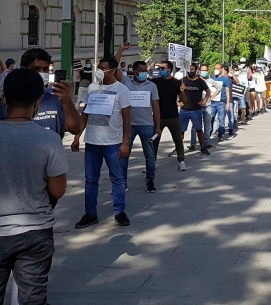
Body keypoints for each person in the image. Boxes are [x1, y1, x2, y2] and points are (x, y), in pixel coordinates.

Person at [0, 68, 68, 305]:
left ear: (4, 99)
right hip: (36, 232)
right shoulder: (49, 140)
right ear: (38, 102)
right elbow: (58, 191)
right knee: (32, 298)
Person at [72, 58, 133, 229]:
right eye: (98, 68)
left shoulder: (122, 90)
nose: (99, 71)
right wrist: (78, 136)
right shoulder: (92, 88)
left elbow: (127, 117)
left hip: (113, 143)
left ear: (113, 71)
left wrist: (125, 142)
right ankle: (90, 213)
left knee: (118, 179)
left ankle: (119, 212)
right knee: (91, 180)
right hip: (92, 143)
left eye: (103, 69)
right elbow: (85, 113)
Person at [0, 48, 83, 138]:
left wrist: (67, 101)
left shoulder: (54, 100)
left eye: (45, 69)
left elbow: (76, 129)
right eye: (36, 69)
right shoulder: (9, 101)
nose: (41, 73)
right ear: (23, 69)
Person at [115, 44, 162, 192]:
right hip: (129, 126)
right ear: (134, 72)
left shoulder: (152, 86)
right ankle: (123, 182)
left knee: (149, 155)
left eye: (145, 71)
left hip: (147, 125)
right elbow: (113, 68)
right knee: (124, 155)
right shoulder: (126, 82)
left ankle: (150, 181)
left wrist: (158, 126)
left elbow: (155, 107)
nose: (144, 73)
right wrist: (121, 50)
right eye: (141, 71)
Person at [150, 60, 188, 170]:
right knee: (154, 141)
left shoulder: (177, 83)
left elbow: (183, 100)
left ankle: (181, 161)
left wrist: (182, 91)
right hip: (158, 116)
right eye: (160, 68)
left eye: (162, 68)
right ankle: (152, 163)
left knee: (177, 140)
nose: (160, 70)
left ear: (169, 70)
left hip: (173, 115)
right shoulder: (156, 82)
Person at [180, 63, 211, 155]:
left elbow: (208, 91)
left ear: (196, 70)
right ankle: (179, 148)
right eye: (189, 69)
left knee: (199, 129)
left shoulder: (200, 81)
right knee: (181, 130)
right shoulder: (183, 80)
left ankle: (203, 147)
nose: (190, 71)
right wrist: (178, 101)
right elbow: (176, 92)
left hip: (196, 110)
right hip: (184, 109)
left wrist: (204, 101)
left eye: (192, 69)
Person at [190, 63, 218, 149]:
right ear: (199, 71)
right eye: (203, 70)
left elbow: (219, 87)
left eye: (206, 70)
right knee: (195, 126)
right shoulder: (196, 80)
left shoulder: (210, 81)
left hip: (208, 105)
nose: (204, 72)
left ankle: (207, 142)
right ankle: (193, 144)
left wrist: (211, 97)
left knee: (207, 125)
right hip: (197, 106)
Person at [211, 64, 233, 141]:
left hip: (221, 102)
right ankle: (208, 134)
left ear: (221, 69)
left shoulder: (225, 80)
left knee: (221, 120)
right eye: (215, 68)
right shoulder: (212, 78)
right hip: (212, 102)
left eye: (217, 68)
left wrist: (228, 103)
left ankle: (221, 135)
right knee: (211, 119)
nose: (216, 70)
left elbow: (227, 92)